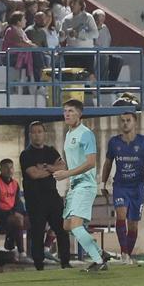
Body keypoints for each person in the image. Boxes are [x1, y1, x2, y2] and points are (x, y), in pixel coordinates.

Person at [52, 99, 108, 271]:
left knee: (75, 225)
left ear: (80, 114)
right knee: (67, 226)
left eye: (71, 111)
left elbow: (91, 163)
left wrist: (67, 173)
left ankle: (98, 261)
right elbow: (75, 162)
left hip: (85, 185)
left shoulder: (86, 134)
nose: (67, 114)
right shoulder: (69, 134)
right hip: (75, 185)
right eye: (65, 111)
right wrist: (59, 170)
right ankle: (100, 253)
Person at [100, 109, 144, 265]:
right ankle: (124, 254)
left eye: (128, 120)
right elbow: (108, 164)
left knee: (133, 224)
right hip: (120, 186)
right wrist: (103, 182)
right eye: (122, 120)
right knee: (121, 215)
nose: (125, 123)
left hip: (137, 188)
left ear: (135, 123)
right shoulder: (114, 142)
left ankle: (127, 254)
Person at [19, 120, 71, 271]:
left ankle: (65, 262)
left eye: (39, 132)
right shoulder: (26, 155)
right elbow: (33, 174)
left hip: (52, 197)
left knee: (61, 229)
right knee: (37, 232)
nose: (37, 135)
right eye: (33, 132)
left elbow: (63, 167)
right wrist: (52, 170)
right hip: (35, 199)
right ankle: (39, 264)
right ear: (30, 135)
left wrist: (47, 167)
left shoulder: (51, 151)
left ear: (44, 134)